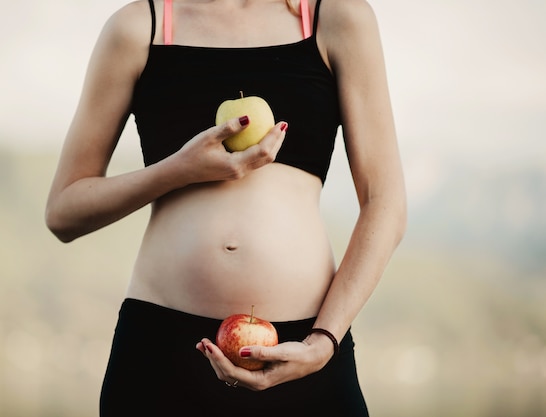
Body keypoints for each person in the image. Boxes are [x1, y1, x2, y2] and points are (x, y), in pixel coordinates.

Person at [45, 0, 406, 415]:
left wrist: (324, 340)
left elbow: (385, 203)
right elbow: (63, 211)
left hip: (305, 350)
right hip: (163, 353)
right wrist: (178, 170)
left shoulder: (337, 18)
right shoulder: (139, 27)